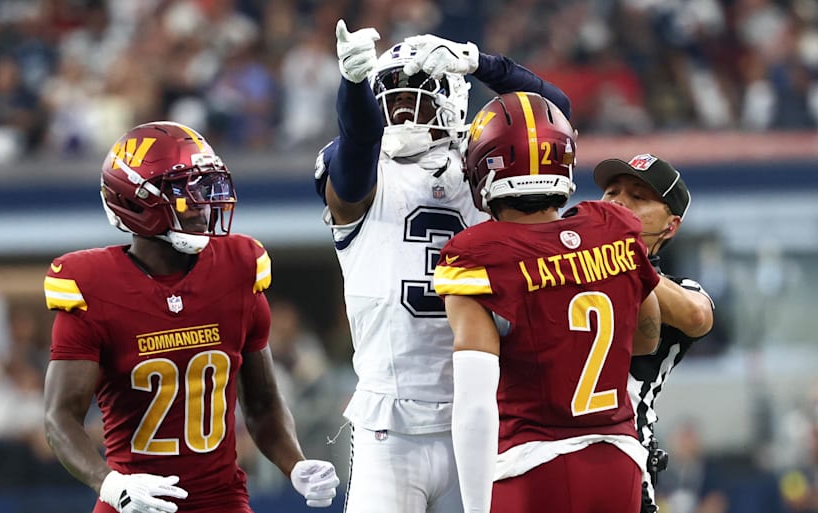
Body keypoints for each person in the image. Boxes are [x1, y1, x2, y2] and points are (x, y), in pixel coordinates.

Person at [314, 19, 573, 513]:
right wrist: (352, 85)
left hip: (481, 413)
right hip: (390, 424)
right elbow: (359, 145)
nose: (402, 111)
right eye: (391, 99)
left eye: (417, 96)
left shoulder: (483, 161)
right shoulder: (364, 172)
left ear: (453, 97)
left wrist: (479, 62)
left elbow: (554, 115)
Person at [43, 121, 340, 513]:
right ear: (137, 201)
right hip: (135, 503)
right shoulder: (93, 286)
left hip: (222, 501)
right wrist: (112, 484)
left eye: (206, 187)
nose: (202, 203)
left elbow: (263, 403)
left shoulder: (238, 269)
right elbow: (60, 417)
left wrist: (295, 463)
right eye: (185, 191)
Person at [434, 92, 663, 513]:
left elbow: (474, 404)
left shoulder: (479, 252)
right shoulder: (614, 226)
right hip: (619, 462)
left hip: (535, 465)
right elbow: (647, 340)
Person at [593, 153, 715, 513]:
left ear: (670, 226)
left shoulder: (682, 289)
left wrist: (622, 254)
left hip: (623, 454)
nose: (618, 202)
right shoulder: (565, 266)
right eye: (612, 192)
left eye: (637, 197)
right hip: (542, 451)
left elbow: (696, 315)